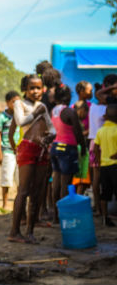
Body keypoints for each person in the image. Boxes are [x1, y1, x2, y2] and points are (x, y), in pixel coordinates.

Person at [8, 74, 55, 244]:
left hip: (42, 149)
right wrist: (36, 113)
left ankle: (30, 232)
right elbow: (20, 122)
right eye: (32, 88)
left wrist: (49, 138)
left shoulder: (42, 106)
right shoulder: (19, 104)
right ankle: (14, 231)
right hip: (27, 148)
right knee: (24, 190)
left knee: (37, 192)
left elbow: (52, 129)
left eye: (39, 88)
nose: (36, 91)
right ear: (25, 90)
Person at [49, 84, 86, 223]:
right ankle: (63, 215)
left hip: (55, 147)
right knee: (66, 183)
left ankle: (55, 216)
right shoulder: (69, 112)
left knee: (56, 182)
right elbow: (78, 132)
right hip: (67, 149)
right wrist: (82, 147)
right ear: (67, 97)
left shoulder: (54, 111)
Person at [0, 91, 20, 211]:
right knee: (6, 178)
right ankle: (5, 203)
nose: (16, 104)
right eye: (13, 102)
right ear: (7, 102)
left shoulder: (20, 116)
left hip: (20, 151)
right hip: (7, 151)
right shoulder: (2, 117)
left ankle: (18, 204)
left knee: (19, 179)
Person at [94, 104, 117, 227]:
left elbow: (96, 147)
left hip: (104, 166)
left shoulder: (101, 130)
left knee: (105, 193)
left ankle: (105, 217)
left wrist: (98, 160)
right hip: (115, 165)